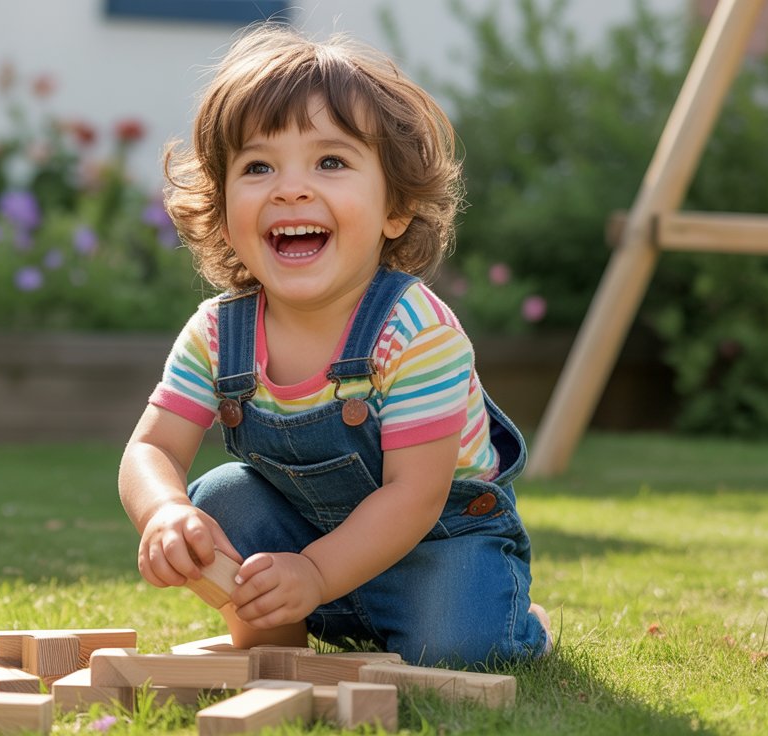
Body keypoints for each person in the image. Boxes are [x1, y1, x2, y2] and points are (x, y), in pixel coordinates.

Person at [118, 23, 551, 668]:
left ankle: (518, 620)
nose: (289, 188)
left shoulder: (414, 331)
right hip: (303, 539)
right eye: (258, 166)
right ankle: (275, 631)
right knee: (219, 499)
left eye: (331, 162)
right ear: (222, 207)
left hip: (437, 542)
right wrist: (164, 512)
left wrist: (316, 575)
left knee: (458, 647)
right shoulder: (218, 332)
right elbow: (151, 446)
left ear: (393, 210)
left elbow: (414, 495)